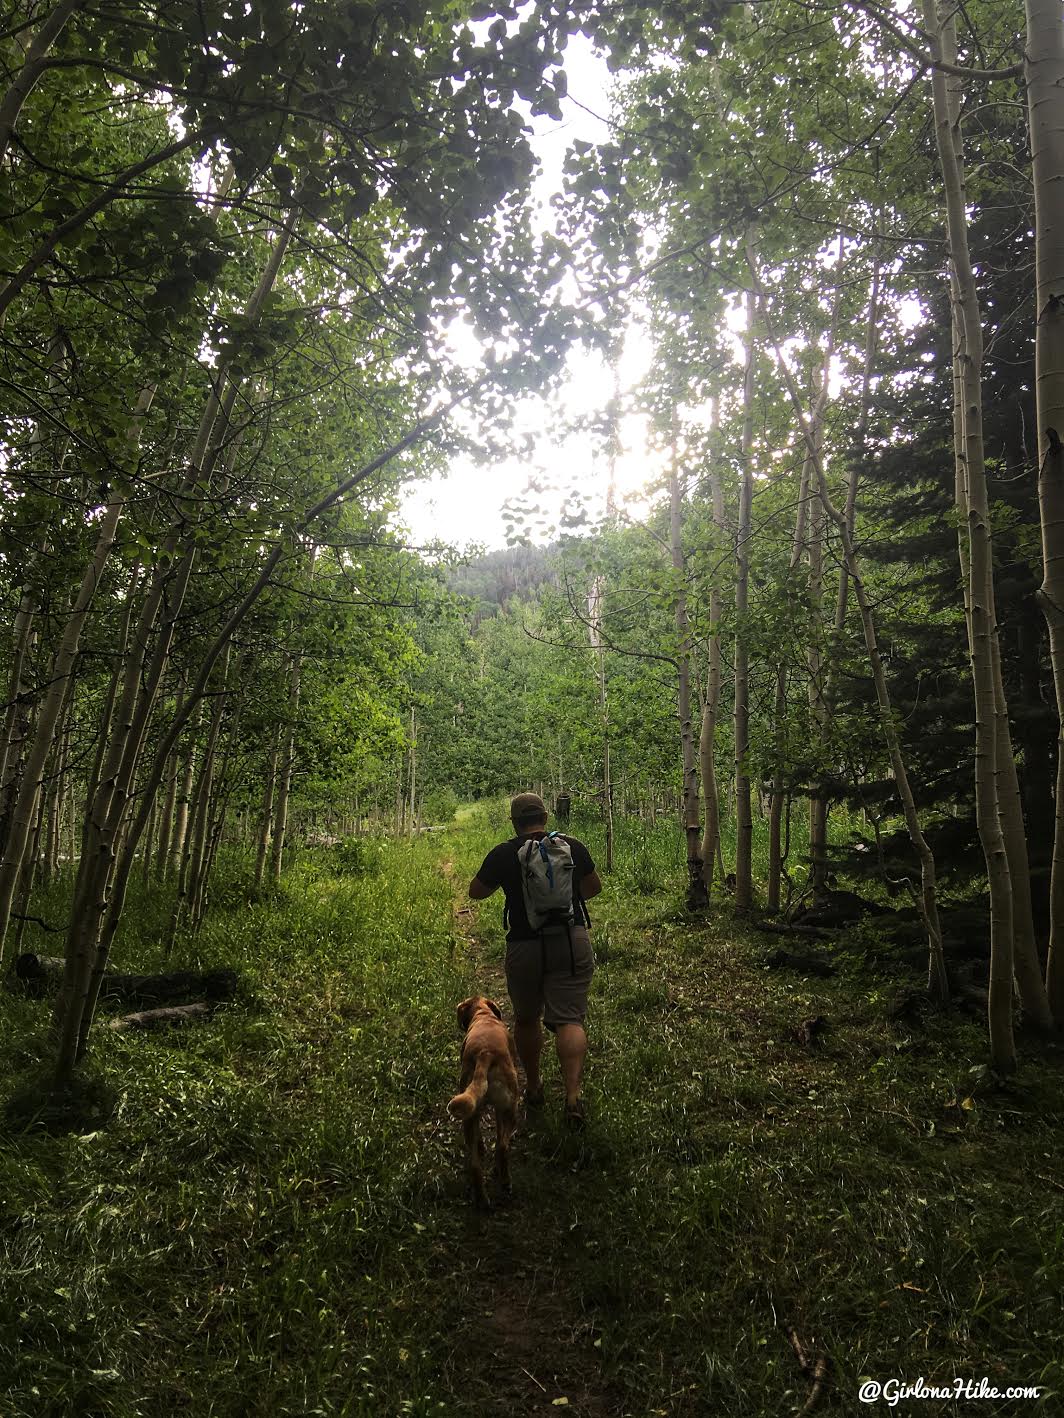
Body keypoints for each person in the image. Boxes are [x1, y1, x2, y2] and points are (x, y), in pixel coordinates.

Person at [468, 792, 602, 1129]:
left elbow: (476, 891)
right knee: (570, 1020)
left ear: (514, 822)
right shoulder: (571, 845)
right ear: (545, 816)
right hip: (571, 941)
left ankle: (534, 1086)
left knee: (527, 1018)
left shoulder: (504, 852)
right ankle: (572, 1097)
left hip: (525, 946)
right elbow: (593, 888)